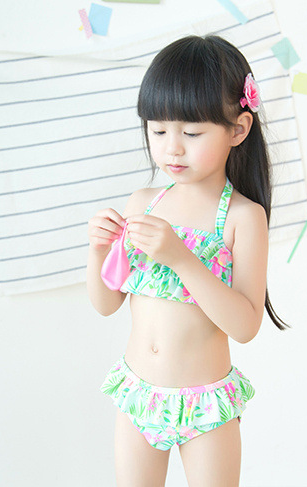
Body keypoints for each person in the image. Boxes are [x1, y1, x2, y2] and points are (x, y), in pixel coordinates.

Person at [86, 34, 290, 486]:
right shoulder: (143, 202)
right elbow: (106, 303)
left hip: (206, 406)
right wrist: (97, 249)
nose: (172, 148)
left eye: (191, 133)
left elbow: (245, 325)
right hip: (138, 396)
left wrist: (180, 258)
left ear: (238, 129)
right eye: (158, 131)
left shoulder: (242, 217)